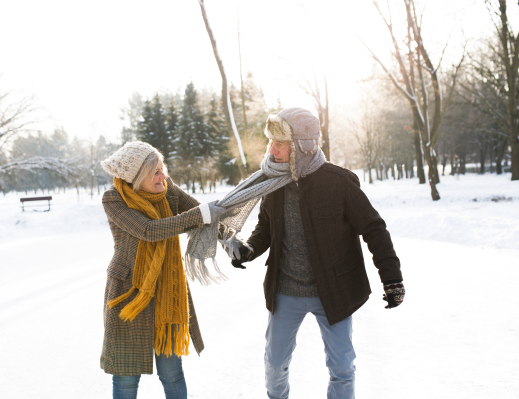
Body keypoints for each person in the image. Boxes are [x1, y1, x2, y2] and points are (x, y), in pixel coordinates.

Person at [227, 108, 405, 399]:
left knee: (342, 369)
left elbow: (374, 228)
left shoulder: (338, 182)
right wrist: (248, 249)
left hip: (334, 293)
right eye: (270, 141)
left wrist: (392, 279)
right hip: (285, 290)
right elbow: (266, 228)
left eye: (279, 143)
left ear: (302, 145)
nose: (271, 150)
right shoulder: (273, 183)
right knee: (274, 365)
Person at [99, 141, 226, 399]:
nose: (163, 176)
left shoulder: (167, 191)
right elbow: (148, 230)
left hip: (167, 290)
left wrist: (228, 237)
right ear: (136, 177)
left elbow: (201, 213)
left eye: (162, 168)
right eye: (155, 172)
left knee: (172, 373)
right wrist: (200, 215)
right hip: (129, 293)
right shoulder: (114, 198)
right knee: (125, 377)